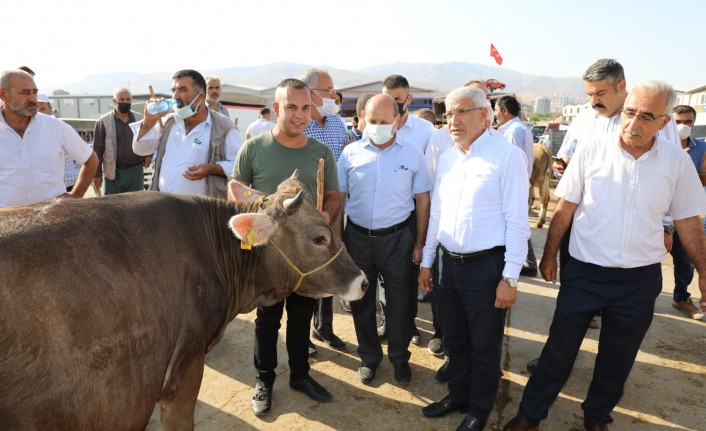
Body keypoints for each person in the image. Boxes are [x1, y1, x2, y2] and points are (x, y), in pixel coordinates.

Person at [502, 81, 706, 431]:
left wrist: (704, 272)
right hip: (584, 272)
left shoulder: (677, 162)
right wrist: (549, 255)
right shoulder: (592, 150)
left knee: (618, 357)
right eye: (629, 112)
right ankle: (530, 414)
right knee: (558, 350)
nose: (633, 124)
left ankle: (596, 417)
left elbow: (688, 222)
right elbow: (564, 209)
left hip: (639, 280)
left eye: (646, 116)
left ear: (663, 122)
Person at [419, 86, 529, 431]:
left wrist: (509, 278)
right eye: (449, 113)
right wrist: (426, 261)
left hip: (486, 268)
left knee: (484, 347)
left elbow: (517, 223)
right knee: (455, 340)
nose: (453, 120)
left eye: (461, 112)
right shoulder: (448, 156)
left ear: (485, 114)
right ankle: (458, 396)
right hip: (448, 265)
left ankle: (479, 410)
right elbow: (436, 214)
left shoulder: (506, 156)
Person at [230, 78, 341, 416]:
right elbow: (235, 189)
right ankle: (264, 380)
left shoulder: (320, 152)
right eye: (291, 107)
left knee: (301, 318)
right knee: (267, 320)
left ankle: (301, 376)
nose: (300, 114)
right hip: (267, 258)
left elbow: (334, 197)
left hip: (304, 259)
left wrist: (324, 216)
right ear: (276, 108)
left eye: (306, 107)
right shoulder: (254, 148)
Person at [338, 94, 432, 386]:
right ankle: (369, 357)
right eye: (372, 121)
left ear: (397, 120)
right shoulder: (350, 153)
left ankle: (400, 358)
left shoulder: (413, 153)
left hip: (398, 240)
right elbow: (338, 199)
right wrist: (338, 241)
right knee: (361, 301)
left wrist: (419, 243)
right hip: (357, 239)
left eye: (384, 121)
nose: (377, 126)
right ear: (363, 118)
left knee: (400, 303)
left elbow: (423, 199)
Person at [380, 74, 436, 344]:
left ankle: (408, 324)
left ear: (409, 100)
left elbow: (429, 181)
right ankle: (387, 321)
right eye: (386, 99)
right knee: (383, 275)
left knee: (409, 272)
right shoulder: (375, 127)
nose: (391, 106)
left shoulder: (426, 133)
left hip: (415, 214)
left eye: (397, 101)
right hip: (385, 214)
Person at [299, 68, 349, 354]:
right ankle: (301, 336)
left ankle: (324, 327)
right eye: (328, 91)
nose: (333, 96)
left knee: (330, 267)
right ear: (311, 93)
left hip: (334, 209)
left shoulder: (338, 125)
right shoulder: (299, 124)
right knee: (306, 274)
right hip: (305, 216)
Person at [131, 69, 242, 199]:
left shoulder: (224, 126)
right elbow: (140, 150)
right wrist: (148, 122)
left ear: (200, 96)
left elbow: (238, 166)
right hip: (163, 207)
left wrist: (212, 168)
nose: (175, 96)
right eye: (174, 90)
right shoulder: (169, 122)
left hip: (200, 213)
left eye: (182, 90)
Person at [0, 69, 98, 207]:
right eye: (25, 92)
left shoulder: (56, 127)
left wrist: (76, 194)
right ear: (3, 94)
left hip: (52, 220)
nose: (33, 99)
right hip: (7, 221)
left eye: (34, 92)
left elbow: (90, 159)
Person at [667, 104, 706, 320]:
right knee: (644, 259)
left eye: (687, 122)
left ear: (694, 123)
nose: (683, 126)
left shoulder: (701, 148)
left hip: (683, 214)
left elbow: (702, 180)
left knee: (685, 259)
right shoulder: (657, 144)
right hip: (656, 213)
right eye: (678, 122)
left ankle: (681, 298)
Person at [494, 95, 537, 278]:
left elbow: (509, 162)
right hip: (521, 183)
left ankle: (522, 264)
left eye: (496, 111)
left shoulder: (512, 131)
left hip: (512, 185)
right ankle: (530, 263)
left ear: (504, 110)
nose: (495, 115)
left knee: (514, 225)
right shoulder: (521, 127)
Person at [92, 87, 147, 195]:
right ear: (114, 101)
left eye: (128, 99)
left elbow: (148, 140)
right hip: (112, 173)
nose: (125, 102)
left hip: (135, 172)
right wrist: (97, 174)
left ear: (131, 100)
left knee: (135, 207)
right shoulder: (103, 121)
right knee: (112, 207)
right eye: (121, 100)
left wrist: (148, 155)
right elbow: (97, 151)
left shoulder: (140, 119)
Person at [37, 94, 80, 192]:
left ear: (50, 110)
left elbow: (85, 157)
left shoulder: (62, 128)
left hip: (69, 183)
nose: (39, 113)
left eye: (42, 109)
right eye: (36, 109)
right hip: (46, 188)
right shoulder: (28, 131)